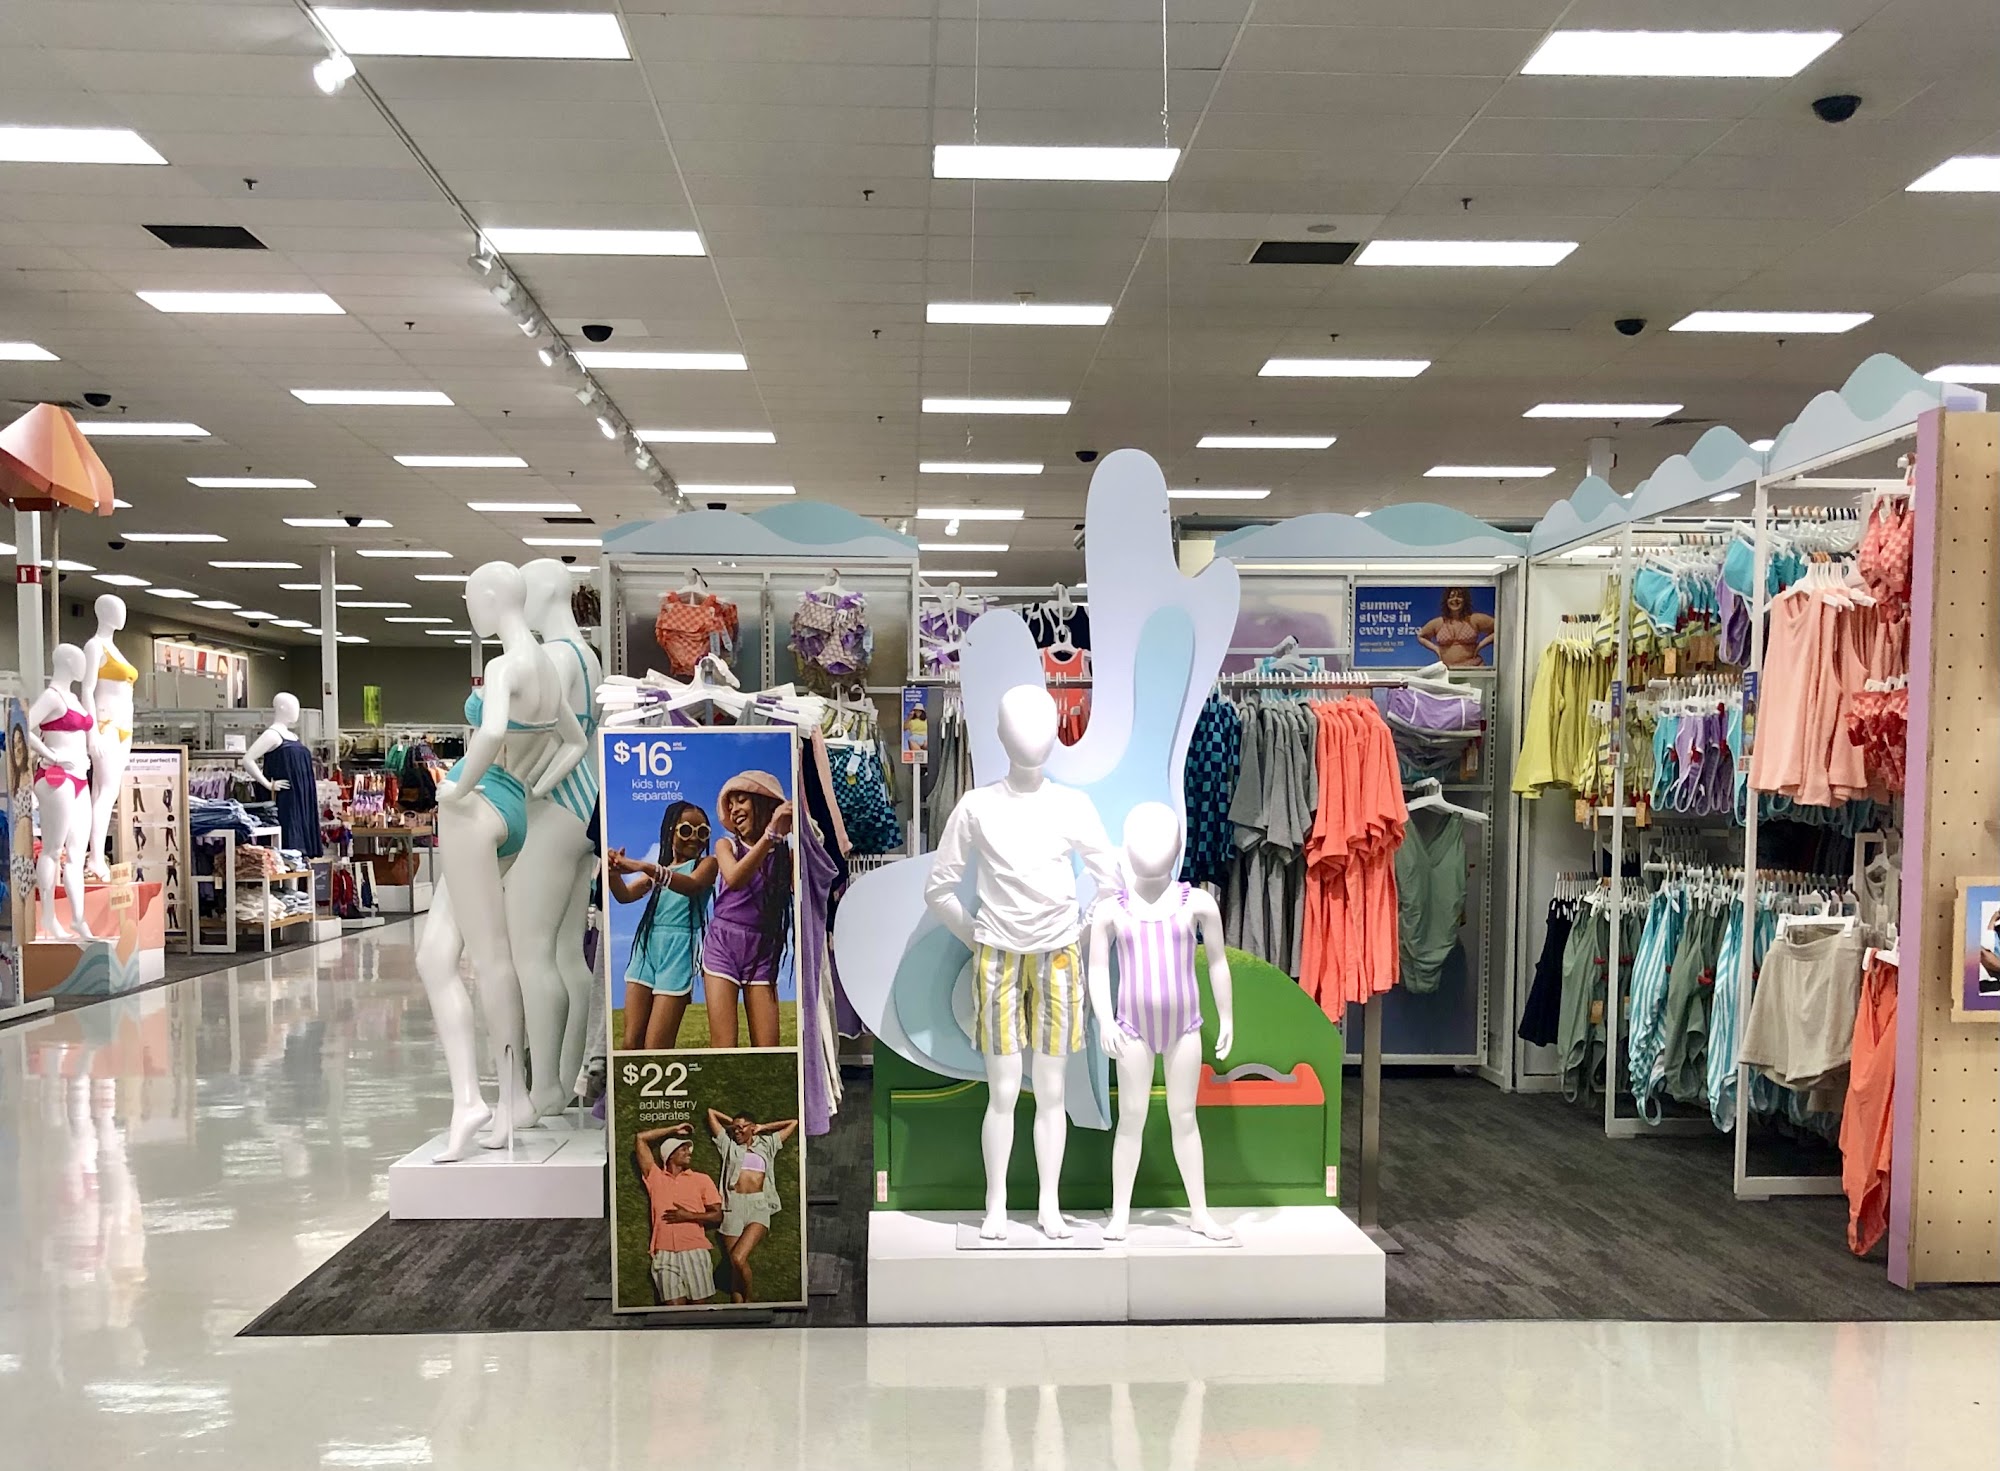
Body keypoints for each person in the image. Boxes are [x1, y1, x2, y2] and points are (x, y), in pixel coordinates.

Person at [608, 800, 719, 1050]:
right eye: (686, 830)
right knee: (631, 1042)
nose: (695, 838)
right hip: (646, 947)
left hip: (678, 950)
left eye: (702, 832)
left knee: (656, 1046)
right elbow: (625, 895)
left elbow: (692, 886)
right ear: (671, 831)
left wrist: (643, 866)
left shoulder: (706, 865)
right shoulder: (662, 871)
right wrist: (614, 873)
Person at [704, 771, 796, 1049]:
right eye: (730, 804)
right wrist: (770, 835)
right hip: (723, 944)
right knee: (724, 1046)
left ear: (764, 804)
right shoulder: (727, 845)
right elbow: (734, 878)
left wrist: (798, 828)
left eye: (741, 800)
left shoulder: (786, 856)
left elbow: (808, 889)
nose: (733, 810)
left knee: (768, 1048)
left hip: (763, 949)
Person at [707, 1106, 798, 1303]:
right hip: (733, 1205)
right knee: (734, 1266)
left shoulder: (767, 1144)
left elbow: (793, 1123)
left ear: (752, 1127)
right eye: (734, 1129)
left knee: (738, 1258)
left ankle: (749, 1299)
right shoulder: (728, 1146)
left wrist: (763, 1127)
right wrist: (735, 1124)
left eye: (742, 1128)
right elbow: (711, 1113)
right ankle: (737, 1307)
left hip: (759, 1205)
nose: (737, 1132)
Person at [634, 1123, 721, 1306]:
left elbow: (717, 1216)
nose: (689, 1152)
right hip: (664, 1252)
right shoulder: (655, 1177)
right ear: (670, 1155)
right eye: (683, 1149)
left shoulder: (701, 1179)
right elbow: (641, 1138)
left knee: (699, 1309)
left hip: (694, 1249)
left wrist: (688, 1216)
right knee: (674, 1312)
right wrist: (674, 1129)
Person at [1416, 586, 1497, 667]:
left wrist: (1480, 645)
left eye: (1459, 596)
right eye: (1451, 597)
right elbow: (1421, 636)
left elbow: (1499, 627)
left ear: (1465, 600)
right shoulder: (1439, 623)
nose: (1455, 599)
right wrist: (1436, 649)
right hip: (1448, 668)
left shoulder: (1474, 619)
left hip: (1474, 666)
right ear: (1446, 601)